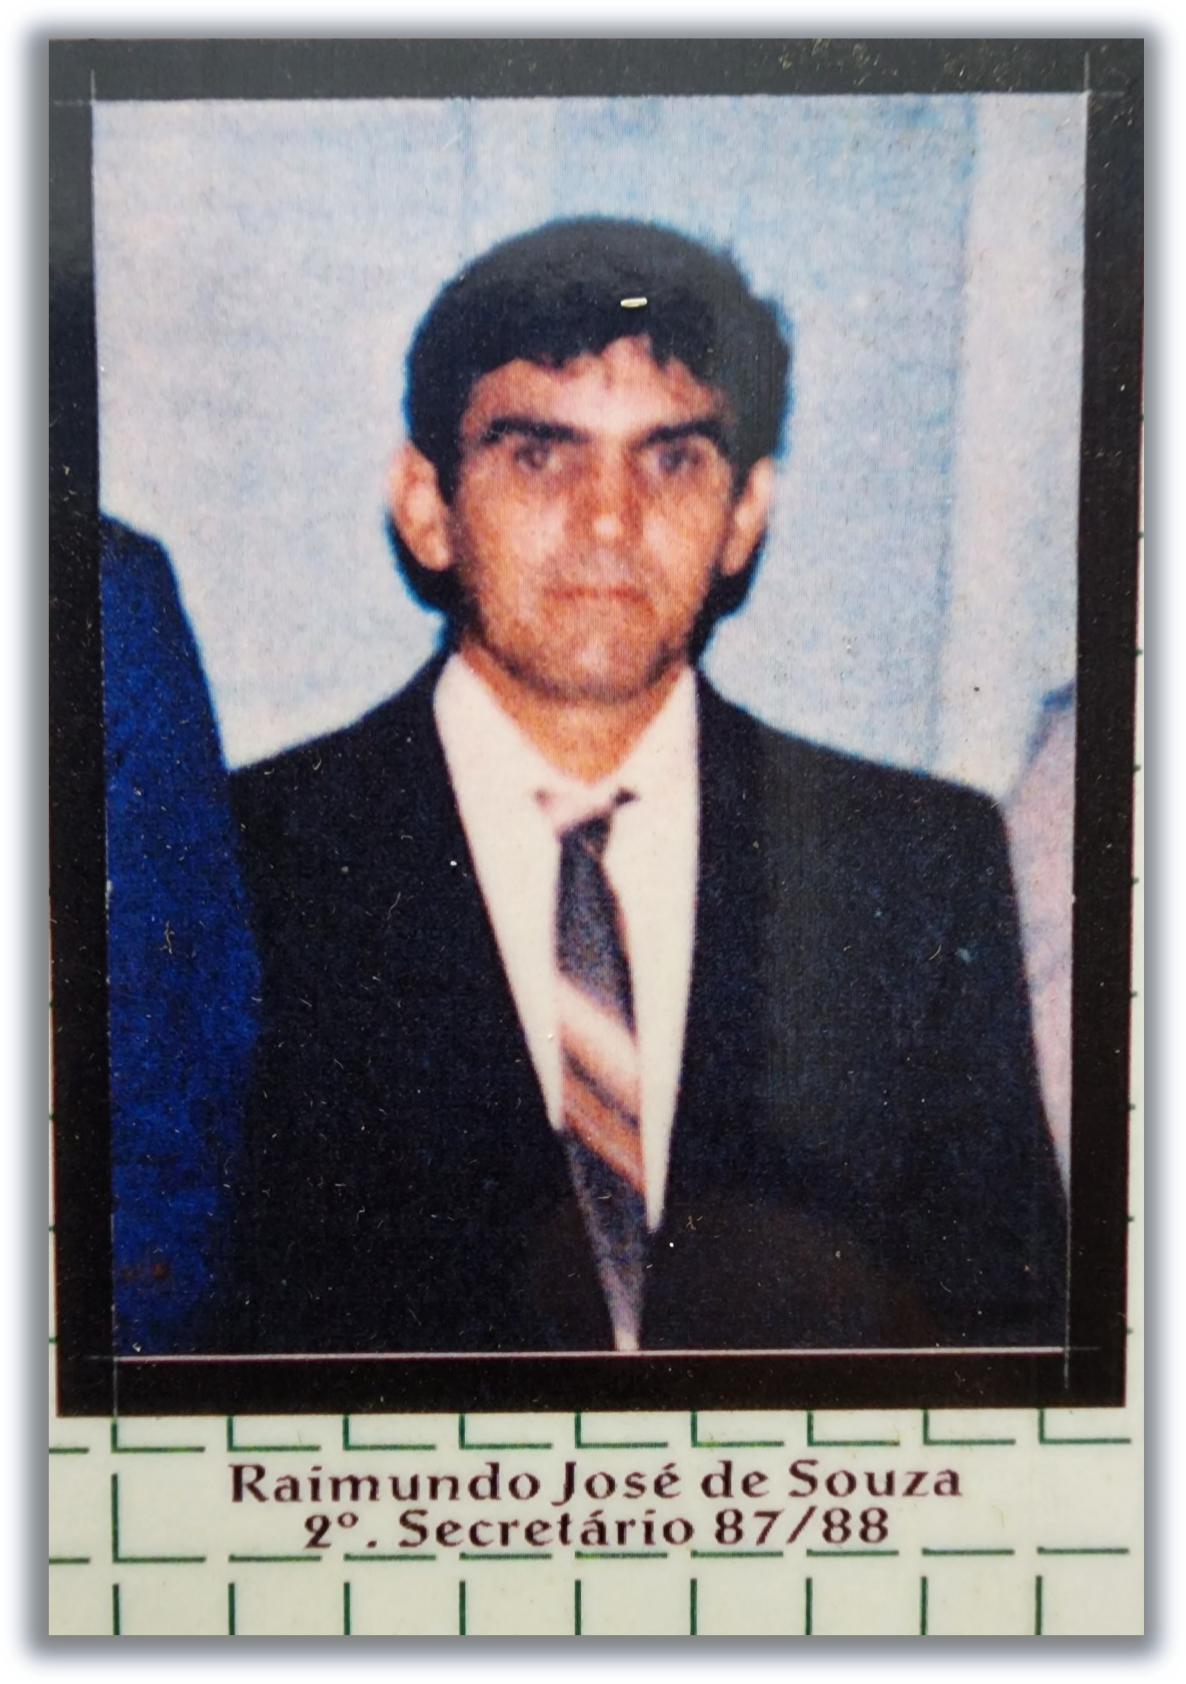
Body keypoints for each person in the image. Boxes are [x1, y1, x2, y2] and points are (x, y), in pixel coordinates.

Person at [225, 218, 1066, 1356]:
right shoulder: (247, 865)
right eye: (540, 454)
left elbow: (1005, 1343)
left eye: (670, 460)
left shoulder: (912, 872)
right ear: (426, 505)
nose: (609, 518)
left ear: (744, 514)